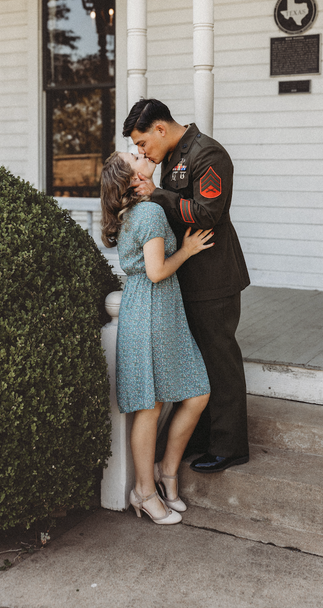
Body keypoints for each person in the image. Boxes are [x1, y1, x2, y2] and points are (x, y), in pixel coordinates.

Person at [123, 98, 250, 474]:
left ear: (160, 129)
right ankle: (203, 436)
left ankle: (229, 446)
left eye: (143, 143)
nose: (141, 151)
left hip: (214, 277)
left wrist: (155, 194)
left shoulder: (208, 153)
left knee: (219, 360)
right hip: (189, 277)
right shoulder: (176, 155)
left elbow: (209, 213)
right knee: (198, 364)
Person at [100, 150, 212, 524]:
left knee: (194, 392)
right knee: (151, 404)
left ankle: (167, 471)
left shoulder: (141, 208)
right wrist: (188, 250)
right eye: (133, 156)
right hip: (150, 307)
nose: (141, 154)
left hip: (155, 309)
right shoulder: (148, 213)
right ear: (132, 179)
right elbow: (157, 271)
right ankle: (144, 492)